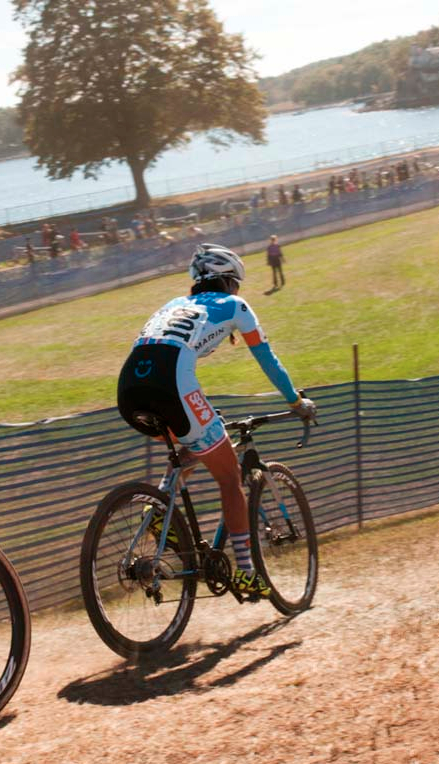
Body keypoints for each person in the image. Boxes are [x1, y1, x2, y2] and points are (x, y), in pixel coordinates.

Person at [116, 244, 316, 598]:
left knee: (198, 440)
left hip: (129, 388)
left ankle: (160, 507)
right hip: (170, 386)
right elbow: (268, 360)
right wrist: (296, 401)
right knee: (228, 477)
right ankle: (246, 572)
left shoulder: (172, 305)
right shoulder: (235, 306)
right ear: (230, 281)